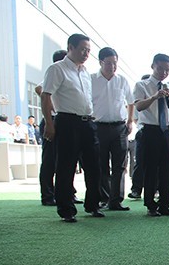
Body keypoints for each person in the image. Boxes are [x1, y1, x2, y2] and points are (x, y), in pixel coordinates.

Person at [41, 34, 103, 223]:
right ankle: (66, 210)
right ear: (71, 47)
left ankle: (93, 205)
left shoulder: (85, 71)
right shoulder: (57, 69)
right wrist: (49, 125)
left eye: (89, 51)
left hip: (88, 123)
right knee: (66, 167)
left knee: (94, 166)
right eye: (83, 49)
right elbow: (45, 96)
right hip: (67, 122)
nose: (86, 54)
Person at [134, 54, 169, 217]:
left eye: (167, 70)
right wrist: (154, 96)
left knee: (166, 169)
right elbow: (138, 106)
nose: (163, 72)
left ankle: (165, 204)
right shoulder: (142, 85)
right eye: (160, 68)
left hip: (166, 131)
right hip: (150, 131)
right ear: (153, 66)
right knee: (151, 169)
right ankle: (150, 205)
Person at [92, 47, 134, 211]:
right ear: (101, 62)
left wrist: (130, 121)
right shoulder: (91, 79)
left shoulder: (122, 81)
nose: (112, 67)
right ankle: (104, 198)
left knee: (120, 165)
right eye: (109, 63)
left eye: (115, 63)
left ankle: (116, 200)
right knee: (101, 164)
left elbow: (131, 102)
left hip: (119, 127)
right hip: (99, 127)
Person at [37, 49, 69, 206]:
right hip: (52, 120)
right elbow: (39, 89)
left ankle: (66, 193)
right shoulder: (56, 71)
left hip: (65, 121)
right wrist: (51, 109)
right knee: (50, 160)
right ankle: (48, 195)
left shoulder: (70, 73)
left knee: (65, 160)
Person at [127, 74, 151, 200]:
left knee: (156, 164)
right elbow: (135, 118)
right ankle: (136, 189)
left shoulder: (161, 94)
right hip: (143, 131)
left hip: (158, 131)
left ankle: (155, 189)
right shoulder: (138, 99)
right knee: (140, 162)